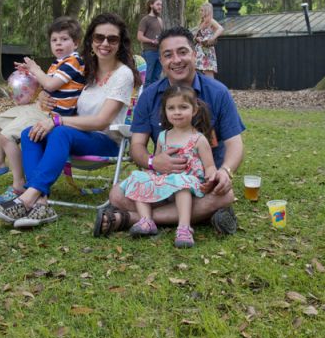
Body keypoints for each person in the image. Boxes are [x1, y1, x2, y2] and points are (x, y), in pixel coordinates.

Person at [0, 13, 140, 228]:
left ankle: (26, 199)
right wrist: (43, 97)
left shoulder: (122, 74)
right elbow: (58, 91)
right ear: (91, 41)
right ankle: (42, 204)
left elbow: (101, 121)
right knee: (29, 134)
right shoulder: (87, 68)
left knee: (58, 131)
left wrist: (57, 122)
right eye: (99, 37)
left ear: (120, 43)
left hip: (106, 141)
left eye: (112, 39)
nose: (104, 43)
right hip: (78, 135)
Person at [94, 26, 245, 237]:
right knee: (117, 195)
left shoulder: (218, 92)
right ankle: (198, 215)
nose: (176, 60)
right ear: (161, 60)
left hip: (203, 184)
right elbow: (137, 146)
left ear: (194, 54)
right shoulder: (150, 96)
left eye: (182, 52)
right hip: (164, 182)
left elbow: (235, 144)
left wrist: (225, 171)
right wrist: (152, 162)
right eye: (168, 55)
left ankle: (132, 219)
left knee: (225, 196)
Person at [0, 16, 85, 204]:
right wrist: (31, 72)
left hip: (51, 116)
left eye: (64, 39)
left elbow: (51, 84)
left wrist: (36, 69)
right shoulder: (58, 63)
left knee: (6, 136)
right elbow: (47, 86)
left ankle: (18, 185)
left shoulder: (73, 61)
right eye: (54, 40)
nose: (58, 43)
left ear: (75, 43)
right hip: (40, 108)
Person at [119, 86, 217, 248]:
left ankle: (184, 228)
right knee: (138, 176)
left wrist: (212, 176)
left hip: (188, 184)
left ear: (194, 110)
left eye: (183, 107)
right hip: (165, 181)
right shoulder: (163, 136)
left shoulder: (198, 139)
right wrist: (148, 175)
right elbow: (157, 162)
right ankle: (146, 221)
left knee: (180, 183)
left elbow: (210, 166)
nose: (177, 112)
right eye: (171, 108)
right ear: (165, 111)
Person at [137, 0, 163, 89]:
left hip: (160, 53)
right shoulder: (145, 20)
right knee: (147, 79)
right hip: (149, 53)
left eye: (161, 5)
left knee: (156, 78)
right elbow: (139, 37)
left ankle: (154, 100)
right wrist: (152, 41)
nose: (160, 7)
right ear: (151, 5)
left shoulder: (160, 20)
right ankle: (145, 101)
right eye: (158, 4)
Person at [194, 2, 224, 78]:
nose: (200, 12)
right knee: (197, 71)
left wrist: (212, 38)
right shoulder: (201, 22)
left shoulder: (211, 21)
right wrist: (197, 38)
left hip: (207, 50)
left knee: (208, 70)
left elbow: (221, 29)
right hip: (199, 50)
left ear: (207, 11)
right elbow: (196, 36)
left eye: (202, 10)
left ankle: (211, 89)